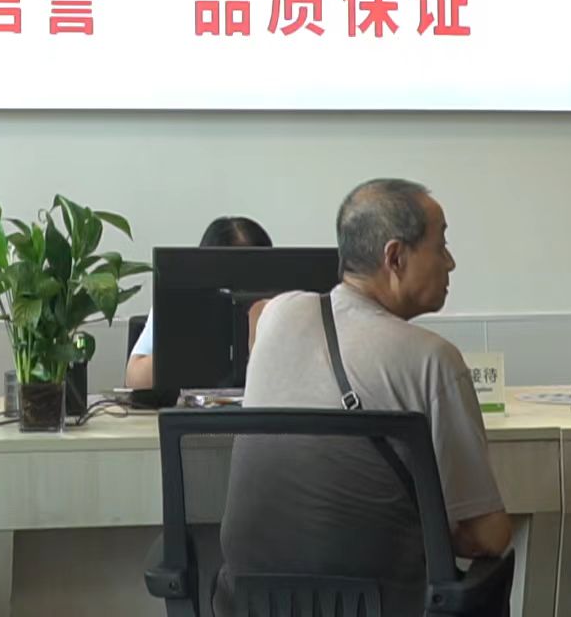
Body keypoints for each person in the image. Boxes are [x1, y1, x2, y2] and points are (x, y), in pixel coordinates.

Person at [217, 179, 511, 614]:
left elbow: (259, 314)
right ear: (395, 257)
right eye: (441, 245)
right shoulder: (433, 360)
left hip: (251, 604)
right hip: (386, 604)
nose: (450, 262)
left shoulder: (274, 314)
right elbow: (486, 536)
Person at [125, 215, 272, 389]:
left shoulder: (281, 309)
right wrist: (191, 343)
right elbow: (134, 379)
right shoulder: (179, 303)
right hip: (194, 404)